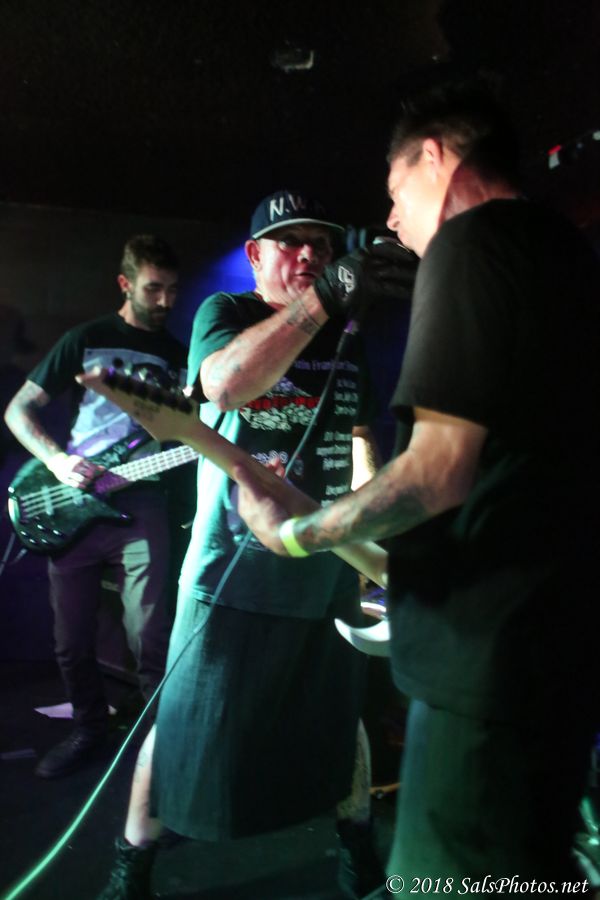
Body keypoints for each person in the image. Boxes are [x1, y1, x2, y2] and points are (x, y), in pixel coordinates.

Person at [235, 85, 600, 885]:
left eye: (396, 191)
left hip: (483, 660)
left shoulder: (471, 242)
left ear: (434, 157)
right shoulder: (567, 251)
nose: (393, 220)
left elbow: (436, 470)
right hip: (556, 648)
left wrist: (294, 533)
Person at [97, 190, 411, 900]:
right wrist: (323, 299)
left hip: (327, 566)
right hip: (231, 568)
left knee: (340, 720)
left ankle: (358, 847)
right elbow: (224, 386)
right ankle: (131, 862)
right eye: (291, 242)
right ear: (255, 255)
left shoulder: (347, 336)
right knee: (183, 720)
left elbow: (358, 440)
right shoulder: (227, 313)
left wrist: (369, 541)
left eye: (322, 245)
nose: (310, 255)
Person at [4, 235, 187, 779]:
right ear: (125, 284)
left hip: (145, 500)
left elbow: (192, 434)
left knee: (152, 633)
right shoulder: (86, 339)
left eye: (172, 290)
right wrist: (58, 461)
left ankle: (159, 743)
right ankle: (89, 727)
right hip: (76, 502)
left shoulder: (181, 356)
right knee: (70, 640)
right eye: (153, 289)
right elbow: (18, 411)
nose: (165, 301)